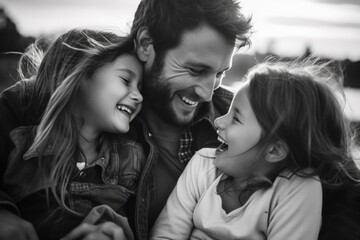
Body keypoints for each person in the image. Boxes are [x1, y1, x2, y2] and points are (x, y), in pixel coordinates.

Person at [1, 0, 360, 239]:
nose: (207, 91)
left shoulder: (237, 118)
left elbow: (343, 188)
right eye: (195, 69)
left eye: (219, 73)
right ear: (146, 44)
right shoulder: (80, 93)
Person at [149, 58, 360, 240]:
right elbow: (166, 234)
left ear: (275, 150)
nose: (219, 121)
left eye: (236, 118)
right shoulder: (202, 164)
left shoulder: (297, 189)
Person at [0, 28, 145, 240]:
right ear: (79, 75)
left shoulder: (129, 159)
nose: (139, 96)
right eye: (125, 80)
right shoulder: (21, 137)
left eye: (141, 88)